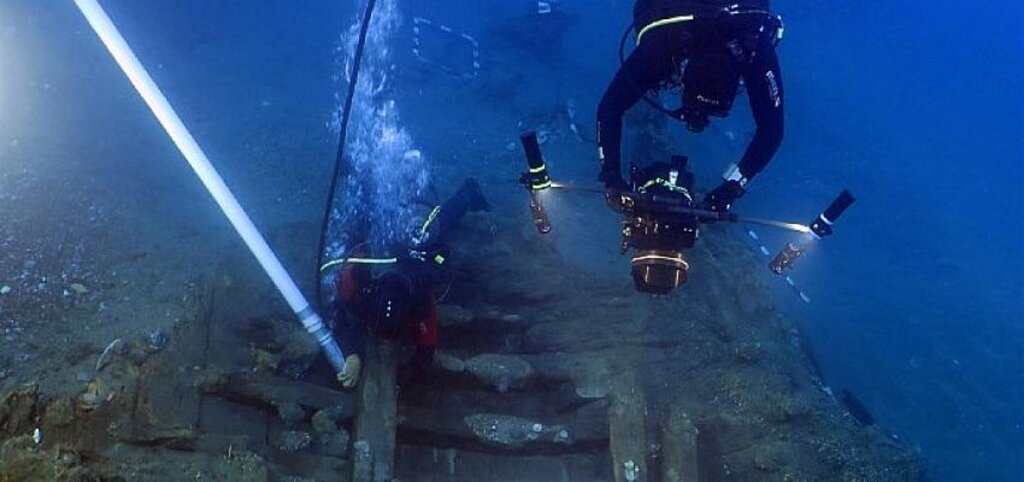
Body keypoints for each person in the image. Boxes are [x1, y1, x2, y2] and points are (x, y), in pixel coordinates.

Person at [596, 0, 784, 214]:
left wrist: (731, 189)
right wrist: (611, 176)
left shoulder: (757, 52)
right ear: (681, 71)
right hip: (672, 36)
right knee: (633, 89)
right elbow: (611, 105)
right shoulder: (662, 46)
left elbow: (772, 132)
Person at [331, 179, 489, 389]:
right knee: (364, 219)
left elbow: (427, 346)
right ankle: (369, 180)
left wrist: (410, 378)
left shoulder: (418, 294)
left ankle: (467, 192)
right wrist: (352, 354)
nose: (385, 346)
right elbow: (338, 311)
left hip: (415, 238)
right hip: (386, 240)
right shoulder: (359, 274)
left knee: (433, 229)